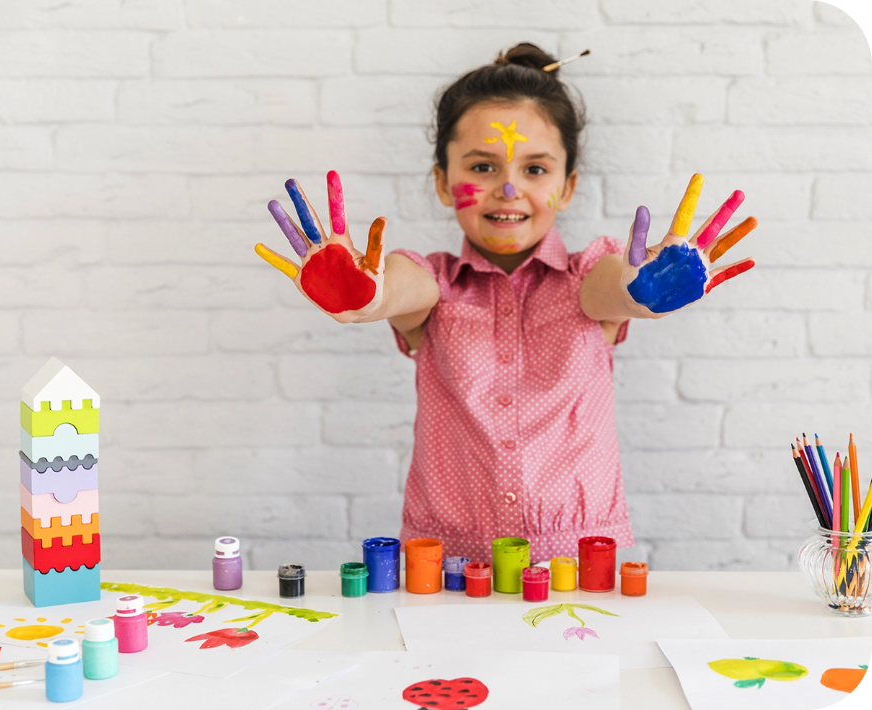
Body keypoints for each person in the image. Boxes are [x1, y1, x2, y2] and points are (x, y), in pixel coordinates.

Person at [255, 43, 758, 563]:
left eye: (535, 170)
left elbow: (612, 288)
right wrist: (367, 294)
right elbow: (400, 287)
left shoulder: (586, 279)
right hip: (450, 566)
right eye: (483, 166)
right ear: (443, 183)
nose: (510, 189)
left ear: (568, 186)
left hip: (575, 562)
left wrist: (641, 290)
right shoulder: (437, 284)